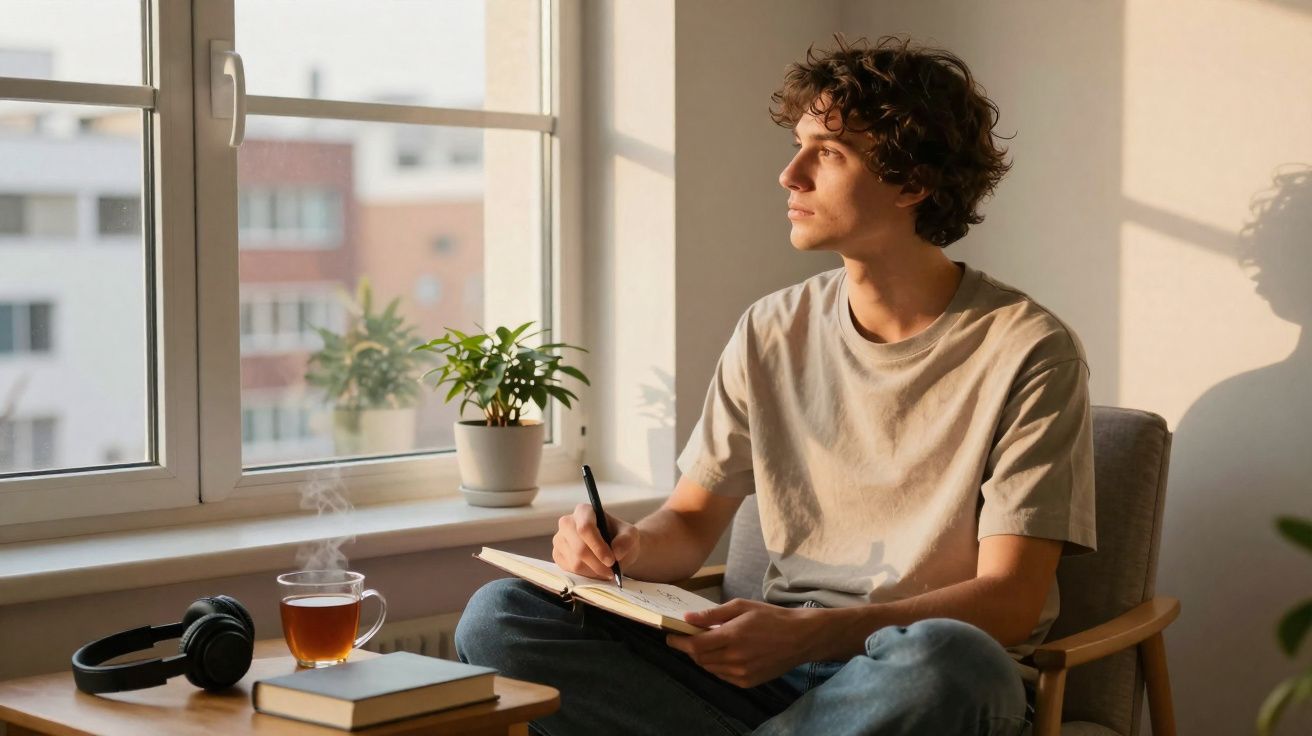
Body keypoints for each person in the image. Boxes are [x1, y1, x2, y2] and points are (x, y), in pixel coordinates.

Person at [455, 34, 1095, 736]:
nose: (790, 175)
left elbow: (1009, 600)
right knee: (499, 616)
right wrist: (626, 547)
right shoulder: (772, 328)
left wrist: (814, 634)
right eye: (798, 145)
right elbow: (693, 523)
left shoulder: (1030, 350)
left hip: (904, 674)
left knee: (956, 663)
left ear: (914, 183)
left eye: (828, 153)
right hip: (764, 673)